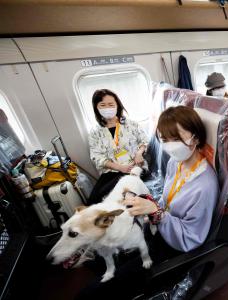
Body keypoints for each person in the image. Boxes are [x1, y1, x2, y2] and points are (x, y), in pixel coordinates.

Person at [76, 106, 219, 300]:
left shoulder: (206, 185)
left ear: (195, 137)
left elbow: (191, 238)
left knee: (95, 292)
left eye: (176, 139)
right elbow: (166, 200)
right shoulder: (176, 163)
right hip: (158, 229)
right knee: (108, 254)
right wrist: (144, 203)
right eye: (165, 140)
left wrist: (157, 214)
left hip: (173, 245)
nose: (169, 146)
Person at [87, 89, 148, 205]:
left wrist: (139, 153)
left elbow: (144, 141)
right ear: (96, 108)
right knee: (93, 201)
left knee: (110, 196)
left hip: (134, 167)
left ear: (117, 106)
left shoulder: (131, 124)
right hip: (111, 171)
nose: (107, 108)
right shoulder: (95, 132)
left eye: (111, 104)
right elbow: (97, 157)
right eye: (102, 105)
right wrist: (119, 167)